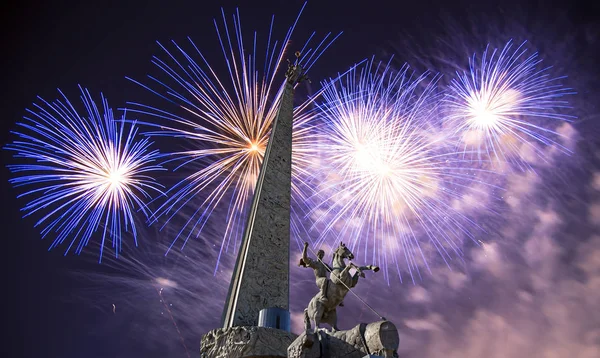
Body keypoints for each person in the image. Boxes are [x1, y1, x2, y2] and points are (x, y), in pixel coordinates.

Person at [299, 242, 344, 306]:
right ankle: (322, 296)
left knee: (334, 283)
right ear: (317, 255)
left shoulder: (324, 265)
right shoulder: (314, 263)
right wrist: (305, 247)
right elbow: (304, 258)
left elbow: (332, 270)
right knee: (325, 280)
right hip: (319, 280)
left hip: (326, 280)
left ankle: (338, 299)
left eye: (322, 255)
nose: (321, 256)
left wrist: (335, 255)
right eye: (320, 254)